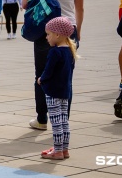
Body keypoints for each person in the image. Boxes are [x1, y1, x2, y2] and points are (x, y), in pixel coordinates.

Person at [22, 0, 84, 130]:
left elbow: (24, 3)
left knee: (41, 75)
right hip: (68, 32)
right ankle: (63, 120)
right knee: (66, 77)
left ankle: (42, 119)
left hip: (45, 33)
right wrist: (77, 32)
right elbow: (80, 8)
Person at [37, 17, 78, 160]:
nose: (47, 37)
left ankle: (58, 151)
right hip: (65, 91)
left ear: (57, 35)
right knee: (64, 120)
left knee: (55, 121)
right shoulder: (70, 51)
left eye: (48, 34)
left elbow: (48, 71)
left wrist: (41, 79)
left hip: (53, 92)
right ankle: (64, 149)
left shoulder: (55, 52)